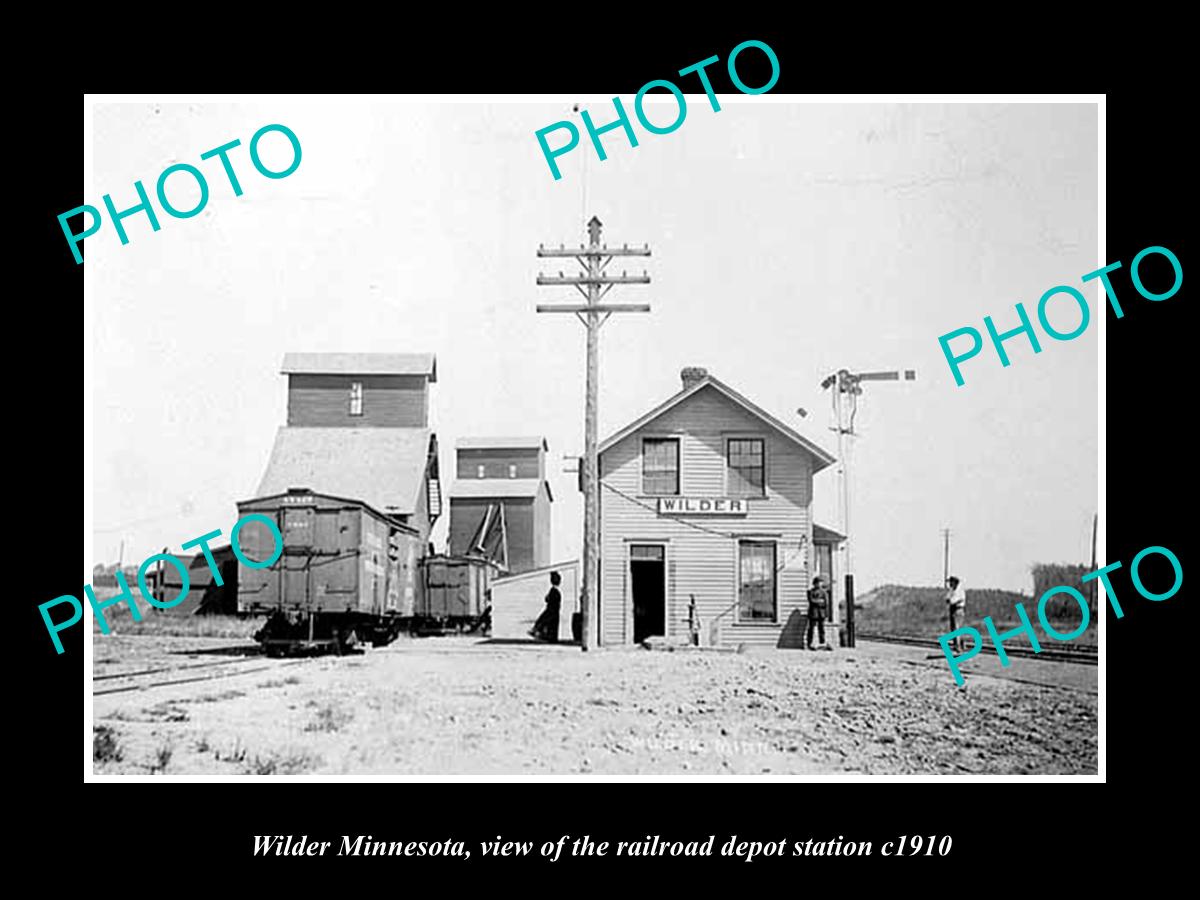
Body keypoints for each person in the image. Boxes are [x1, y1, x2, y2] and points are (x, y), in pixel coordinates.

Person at [529, 571, 562, 642]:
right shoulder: (557, 592)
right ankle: (549, 636)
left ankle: (542, 633)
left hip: (550, 610)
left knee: (544, 621)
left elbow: (547, 599)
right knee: (552, 625)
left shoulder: (553, 591)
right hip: (555, 611)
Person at [806, 576, 829, 650]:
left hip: (821, 613)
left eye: (820, 583)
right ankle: (809, 643)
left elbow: (826, 603)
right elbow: (811, 601)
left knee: (821, 628)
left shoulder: (824, 592)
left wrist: (817, 601)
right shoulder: (811, 592)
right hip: (813, 613)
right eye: (818, 583)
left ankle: (822, 643)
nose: (819, 584)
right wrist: (819, 601)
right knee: (811, 628)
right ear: (814, 584)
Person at [945, 575, 967, 652]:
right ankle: (959, 645)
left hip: (958, 609)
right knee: (954, 629)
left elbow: (952, 600)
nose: (950, 584)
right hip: (953, 609)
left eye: (951, 582)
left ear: (955, 582)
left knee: (957, 629)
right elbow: (947, 598)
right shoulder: (953, 590)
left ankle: (959, 647)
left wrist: (950, 600)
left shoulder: (959, 590)